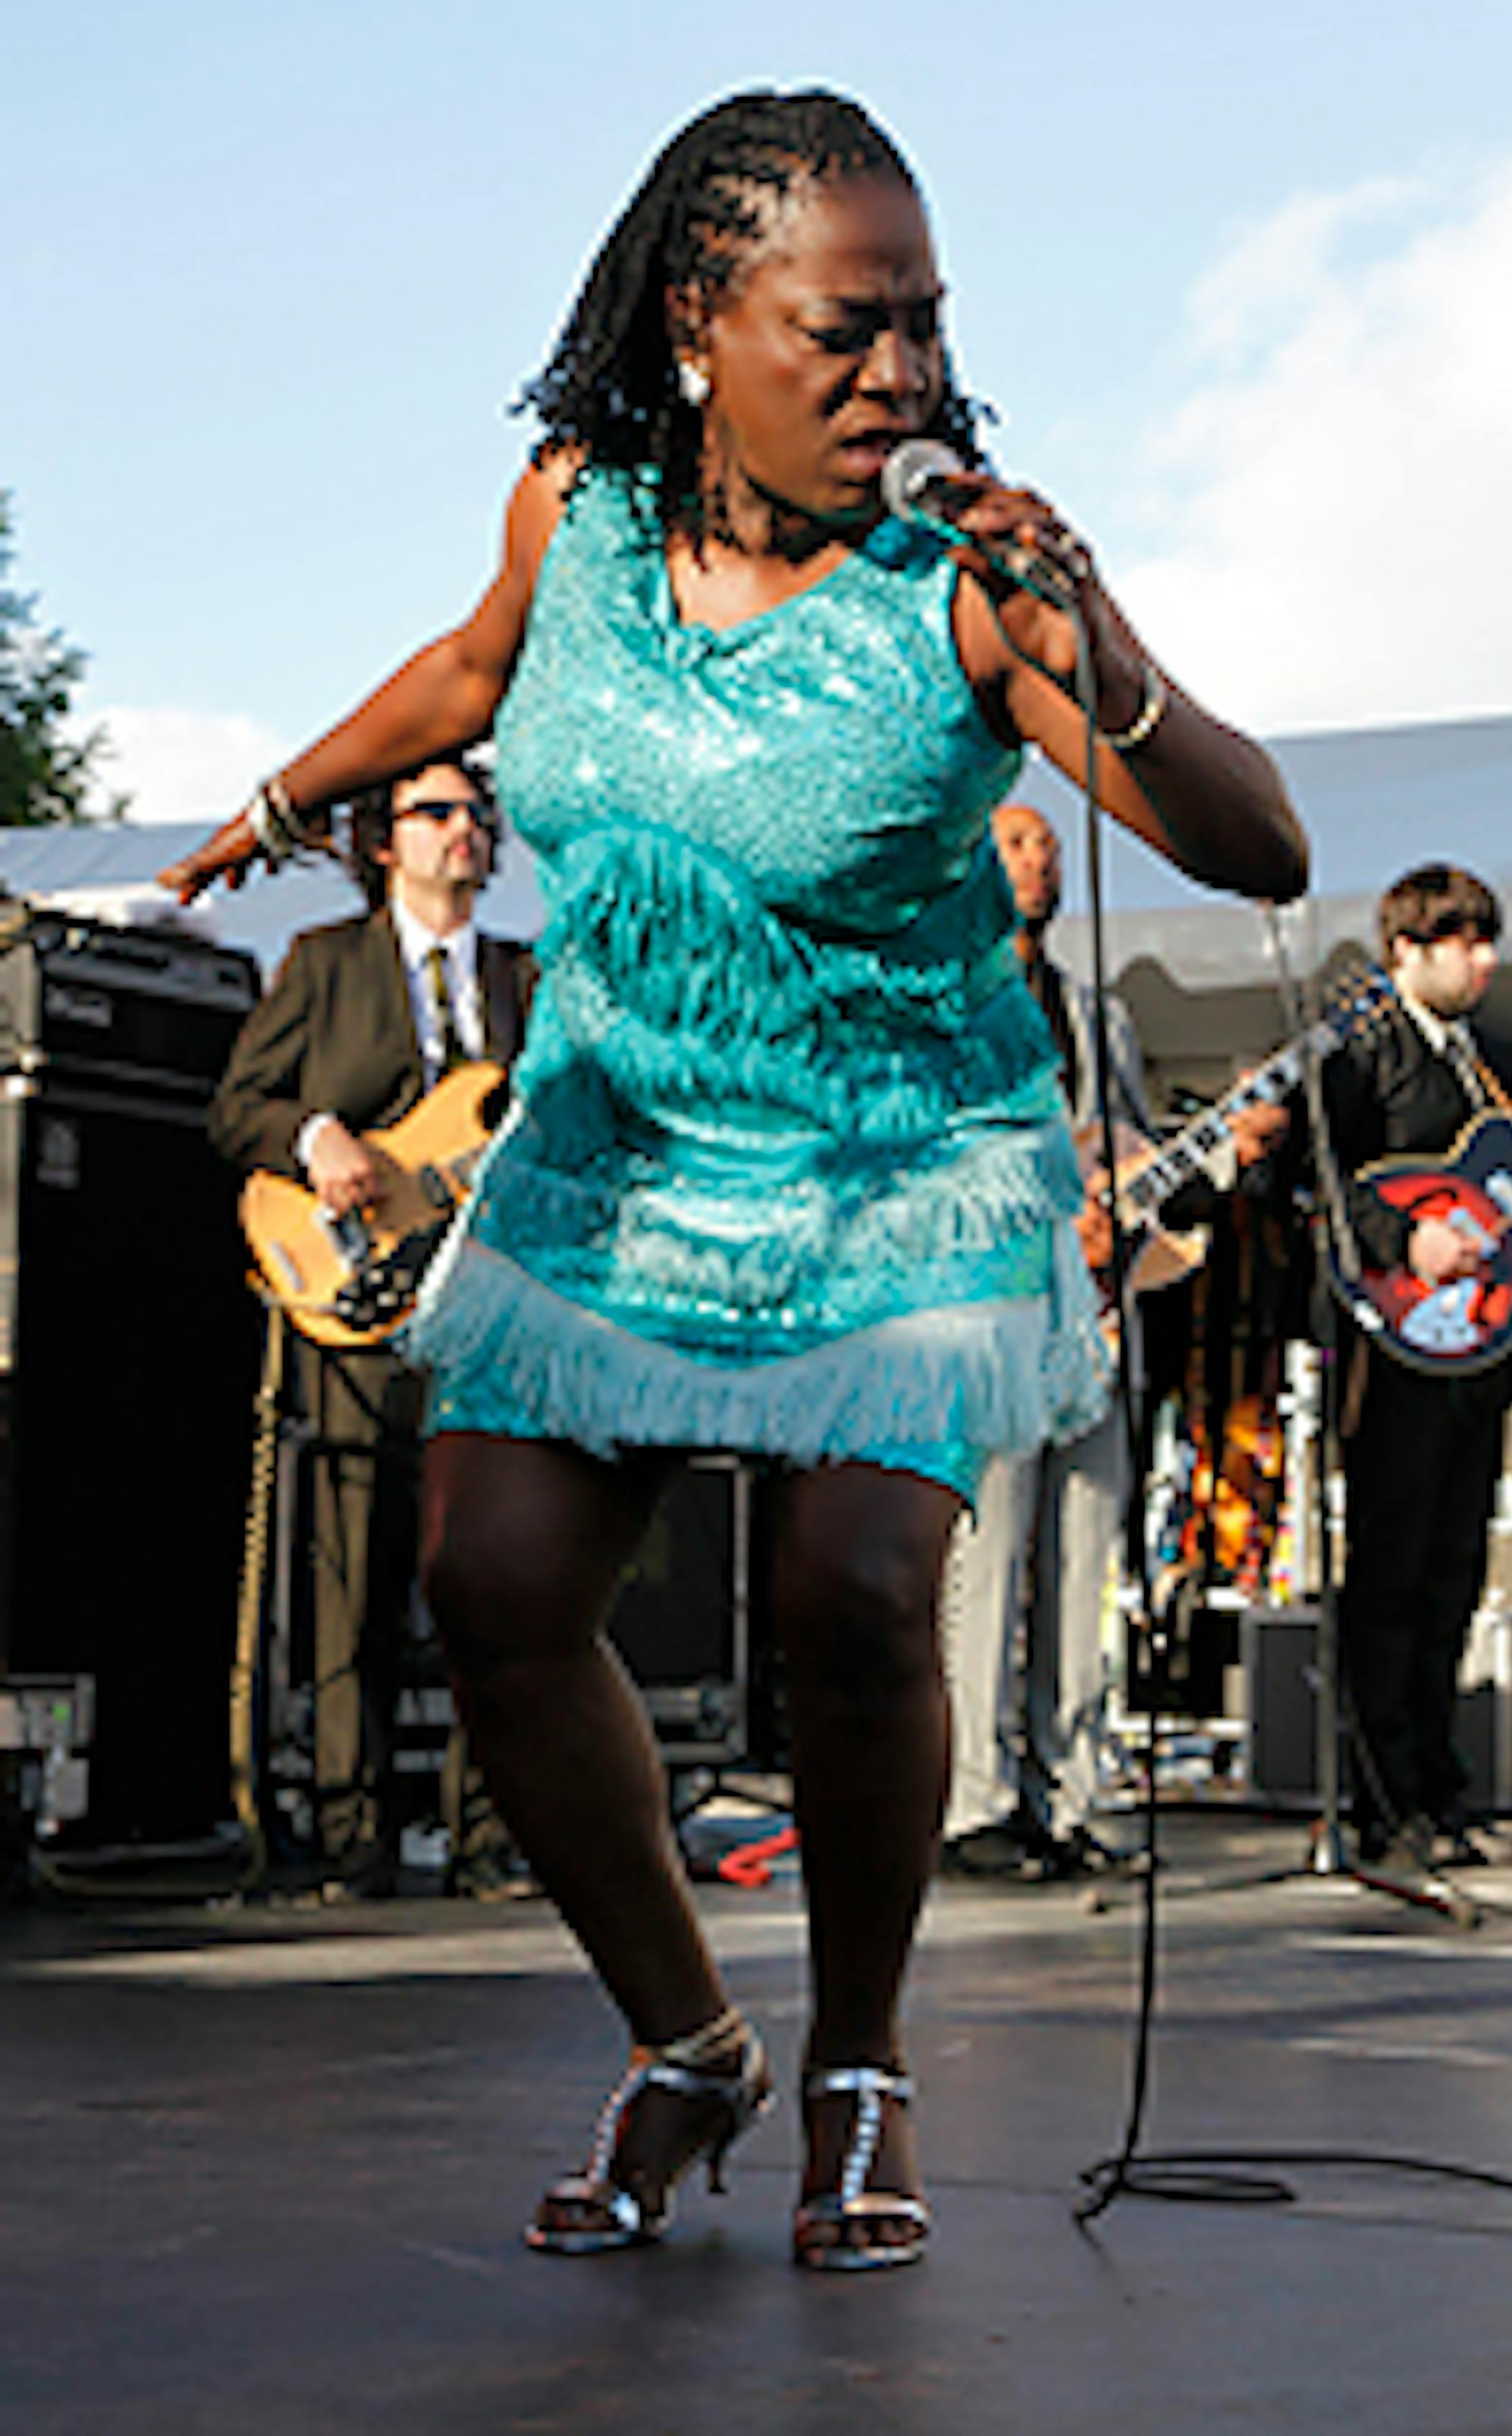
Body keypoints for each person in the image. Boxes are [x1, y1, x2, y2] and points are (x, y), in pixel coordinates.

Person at [162, 88, 1305, 2271]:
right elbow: (478, 672)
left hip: (895, 1150)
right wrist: (273, 795)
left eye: (927, 331)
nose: (905, 378)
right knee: (490, 1586)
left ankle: (862, 2061)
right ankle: (692, 2041)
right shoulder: (575, 510)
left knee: (858, 1597)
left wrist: (1097, 620)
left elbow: (1257, 847)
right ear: (702, 318)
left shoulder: (965, 591)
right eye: (848, 330)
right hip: (627, 1129)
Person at [208, 753, 536, 1896]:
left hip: (483, 1311)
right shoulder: (323, 965)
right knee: (352, 1579)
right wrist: (318, 1140)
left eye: (479, 813)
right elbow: (237, 1107)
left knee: (490, 1580)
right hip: (349, 1305)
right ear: (382, 842)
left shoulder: (525, 982)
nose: (467, 829)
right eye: (438, 811)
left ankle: (492, 1837)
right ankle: (355, 1837)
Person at [941, 803, 1289, 1872]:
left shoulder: (1100, 1016)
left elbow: (1140, 1179)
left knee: (1088, 1553)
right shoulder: (946, 1005)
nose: (1039, 861)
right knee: (991, 1560)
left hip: (1092, 1323)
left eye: (1047, 846)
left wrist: (1219, 1154)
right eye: (1014, 844)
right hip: (995, 1315)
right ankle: (975, 1803)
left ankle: (1073, 1793)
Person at [1320, 863, 1512, 1886]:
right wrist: (1406, 1239)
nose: (1486, 959)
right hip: (1393, 1346)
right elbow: (1311, 1180)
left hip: (1473, 1354)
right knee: (1392, 1569)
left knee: (1452, 1572)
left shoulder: (1480, 1061)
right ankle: (1383, 1794)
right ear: (1407, 948)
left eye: (1487, 940)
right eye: (1465, 940)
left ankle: (1436, 1783)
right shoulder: (1364, 1048)